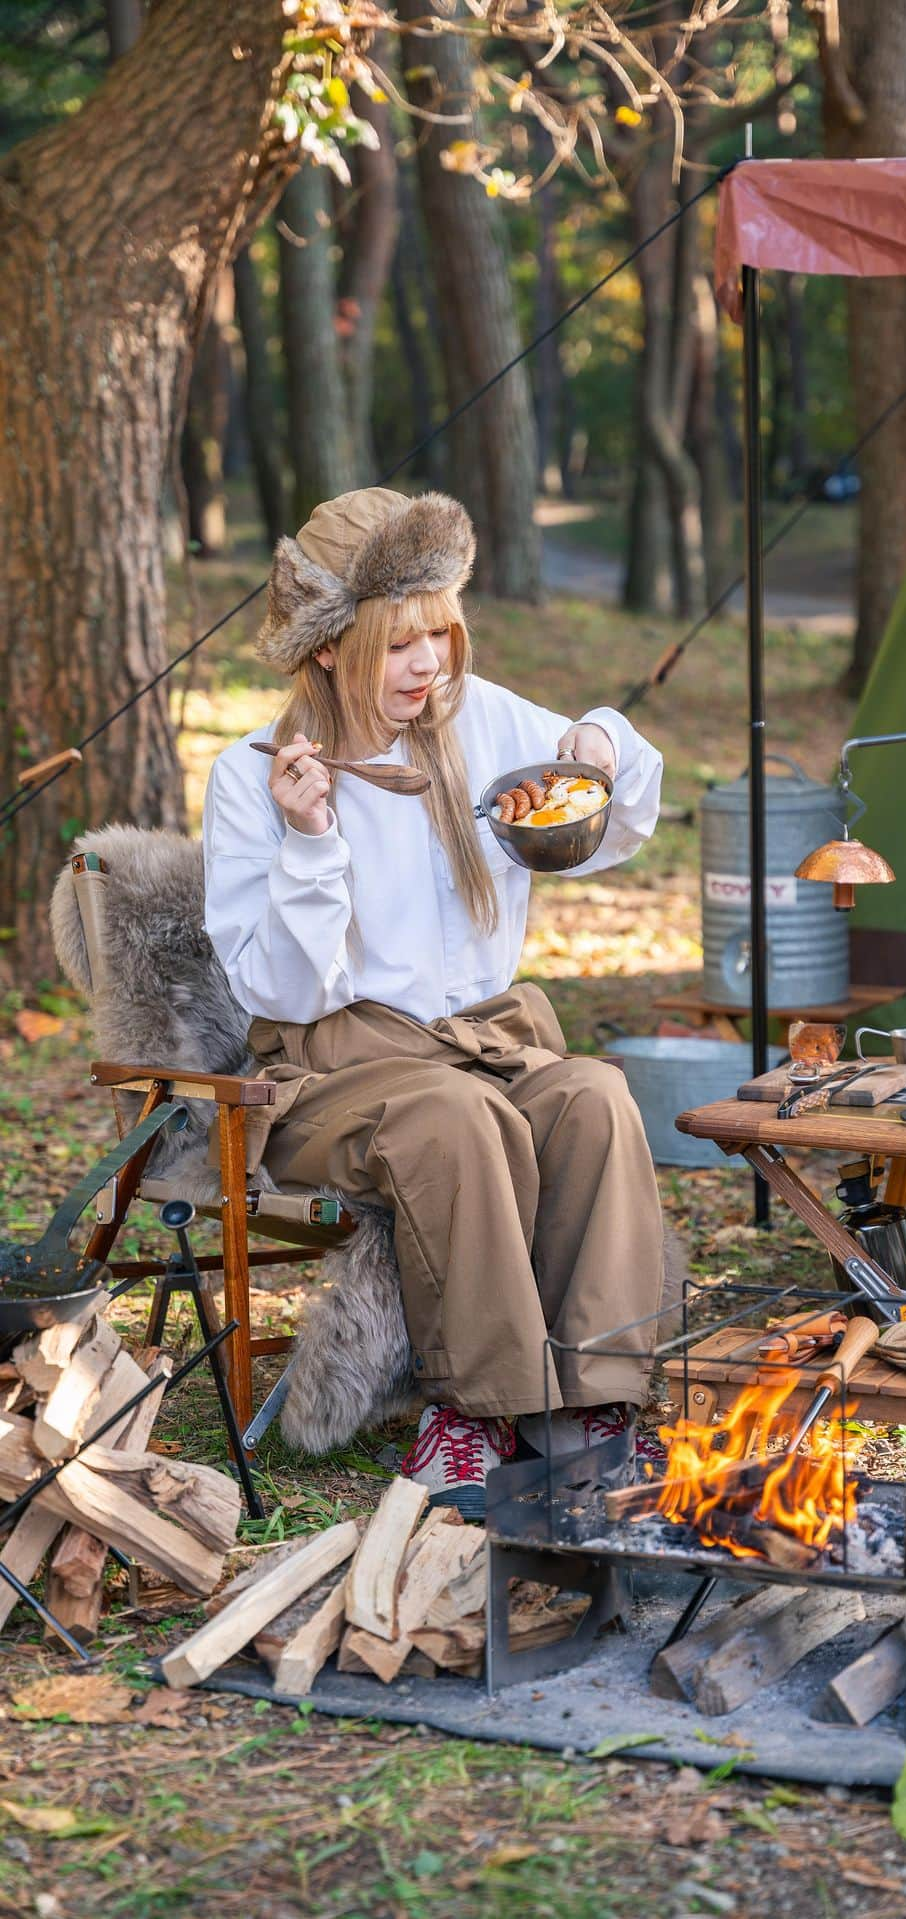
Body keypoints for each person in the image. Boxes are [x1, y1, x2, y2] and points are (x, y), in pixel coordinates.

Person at [202, 486, 666, 1515]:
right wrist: (313, 840)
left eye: (443, 634)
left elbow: (621, 797)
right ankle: (473, 1412)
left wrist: (595, 740)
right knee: (457, 1116)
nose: (431, 665)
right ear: (326, 646)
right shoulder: (256, 779)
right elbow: (275, 987)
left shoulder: (482, 719)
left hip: (484, 1046)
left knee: (592, 1095)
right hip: (333, 1070)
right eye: (401, 642)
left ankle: (594, 1400)